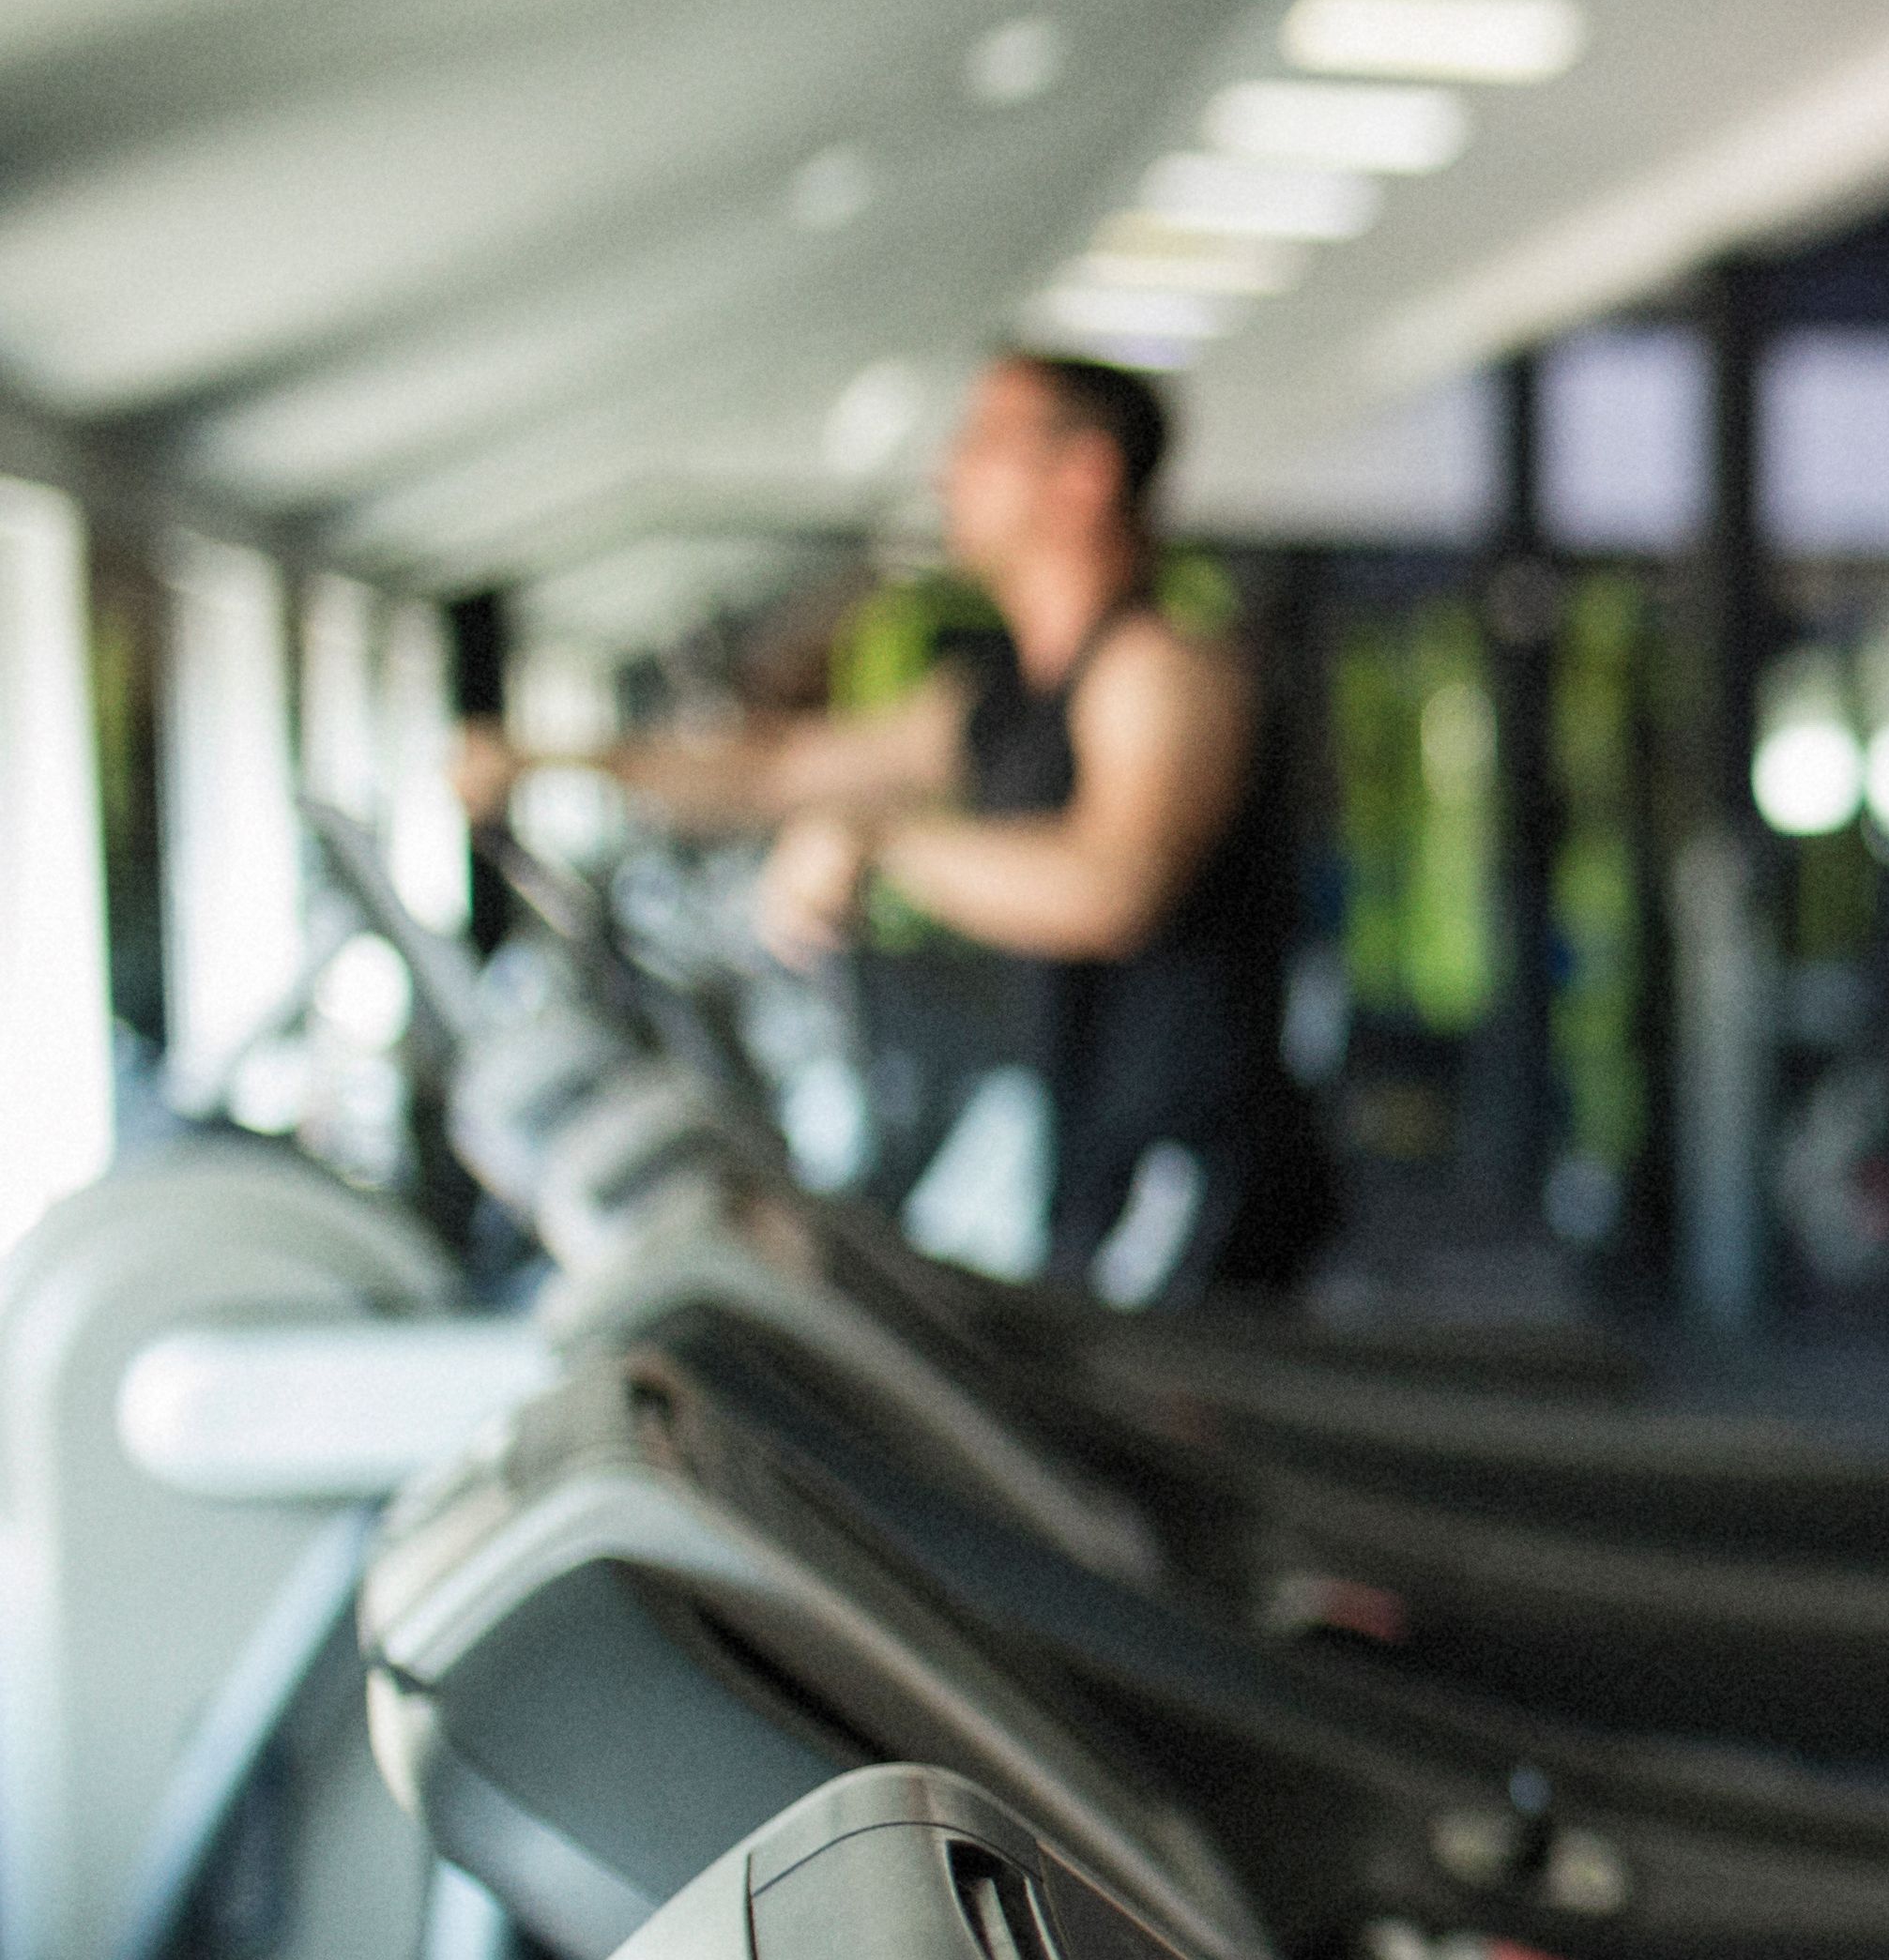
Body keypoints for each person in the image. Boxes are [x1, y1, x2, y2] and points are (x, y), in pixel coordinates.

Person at [513, 350, 1325, 1301]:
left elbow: (1113, 884)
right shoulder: (1001, 700)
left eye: (985, 442)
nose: (949, 473)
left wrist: (879, 838)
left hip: (1185, 1172)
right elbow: (781, 765)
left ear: (1086, 473)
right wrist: (540, 760)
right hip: (1084, 1165)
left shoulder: (1159, 669)